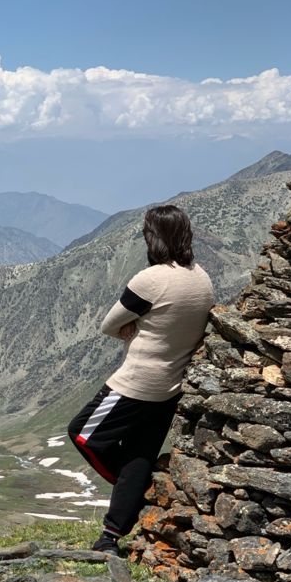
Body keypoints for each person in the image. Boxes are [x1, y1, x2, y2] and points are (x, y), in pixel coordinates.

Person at [67, 204, 214, 557]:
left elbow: (109, 325)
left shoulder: (150, 280)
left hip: (136, 384)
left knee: (83, 433)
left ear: (154, 238)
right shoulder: (202, 279)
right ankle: (110, 535)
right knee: (139, 453)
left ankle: (138, 488)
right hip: (171, 387)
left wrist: (133, 328)